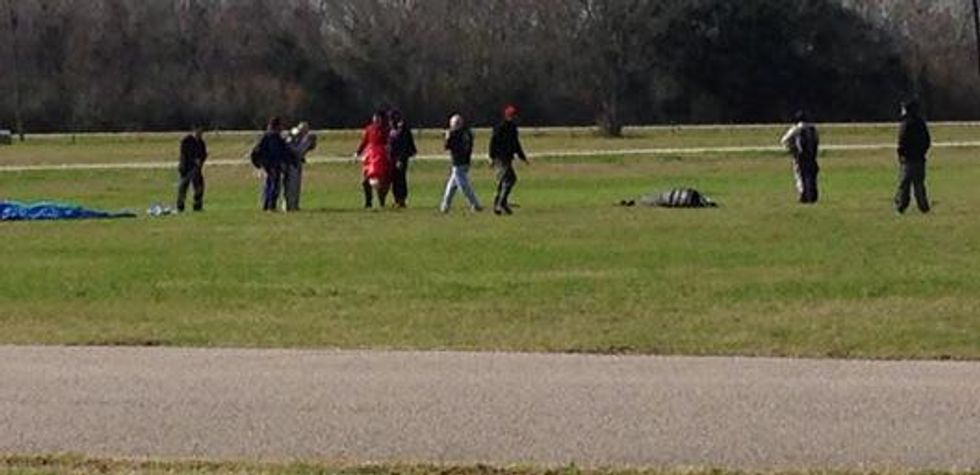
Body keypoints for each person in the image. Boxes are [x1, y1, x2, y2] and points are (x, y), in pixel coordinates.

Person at [489, 105, 530, 215]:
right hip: (500, 158)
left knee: (503, 180)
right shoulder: (499, 127)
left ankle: (497, 205)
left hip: (508, 158)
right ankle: (502, 203)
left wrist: (522, 157)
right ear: (508, 115)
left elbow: (516, 144)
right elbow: (493, 143)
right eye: (513, 115)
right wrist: (492, 157)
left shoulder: (513, 128)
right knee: (510, 179)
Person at [440, 114, 483, 213]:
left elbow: (447, 147)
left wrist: (447, 137)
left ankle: (475, 204)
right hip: (466, 162)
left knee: (464, 186)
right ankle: (445, 205)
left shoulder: (455, 134)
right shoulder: (467, 133)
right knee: (451, 186)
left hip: (458, 163)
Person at [895, 99, 931, 214]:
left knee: (904, 184)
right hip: (920, 159)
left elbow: (901, 141)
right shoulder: (921, 123)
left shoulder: (905, 124)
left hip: (908, 160)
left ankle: (901, 205)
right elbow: (927, 141)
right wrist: (922, 152)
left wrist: (901, 154)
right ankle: (923, 206)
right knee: (919, 184)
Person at [779, 110, 820, 204]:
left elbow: (784, 140)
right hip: (812, 156)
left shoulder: (796, 129)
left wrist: (791, 149)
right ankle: (813, 195)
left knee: (800, 176)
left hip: (800, 156)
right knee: (812, 176)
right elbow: (817, 141)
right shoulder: (813, 128)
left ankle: (803, 195)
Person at [255, 116, 294, 211]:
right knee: (274, 185)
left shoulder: (267, 135)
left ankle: (266, 205)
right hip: (273, 164)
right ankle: (271, 206)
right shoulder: (274, 137)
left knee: (268, 184)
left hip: (267, 164)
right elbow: (277, 152)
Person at [356, 110, 393, 209]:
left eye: (378, 118)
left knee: (383, 181)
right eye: (375, 117)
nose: (376, 119)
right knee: (365, 180)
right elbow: (364, 142)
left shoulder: (387, 129)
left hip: (382, 157)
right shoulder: (369, 129)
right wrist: (358, 152)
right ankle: (368, 201)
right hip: (370, 156)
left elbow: (390, 142)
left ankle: (382, 201)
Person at [284, 122, 317, 212]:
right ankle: (289, 205)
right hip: (291, 163)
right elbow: (295, 150)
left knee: (297, 186)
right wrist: (306, 143)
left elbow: (305, 150)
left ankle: (295, 205)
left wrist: (310, 144)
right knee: (291, 186)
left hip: (297, 163)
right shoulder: (293, 136)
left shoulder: (303, 138)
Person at [388, 110, 417, 208]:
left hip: (401, 158)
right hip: (393, 157)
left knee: (400, 179)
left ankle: (401, 200)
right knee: (394, 179)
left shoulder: (402, 129)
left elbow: (404, 146)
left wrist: (400, 159)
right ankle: (396, 199)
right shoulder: (392, 129)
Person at [175, 126, 207, 212]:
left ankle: (197, 205)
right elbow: (184, 154)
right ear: (194, 131)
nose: (199, 134)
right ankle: (180, 206)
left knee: (199, 187)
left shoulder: (201, 143)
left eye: (201, 132)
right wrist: (193, 160)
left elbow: (204, 154)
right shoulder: (187, 141)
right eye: (198, 131)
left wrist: (200, 160)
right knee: (183, 188)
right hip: (186, 168)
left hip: (196, 170)